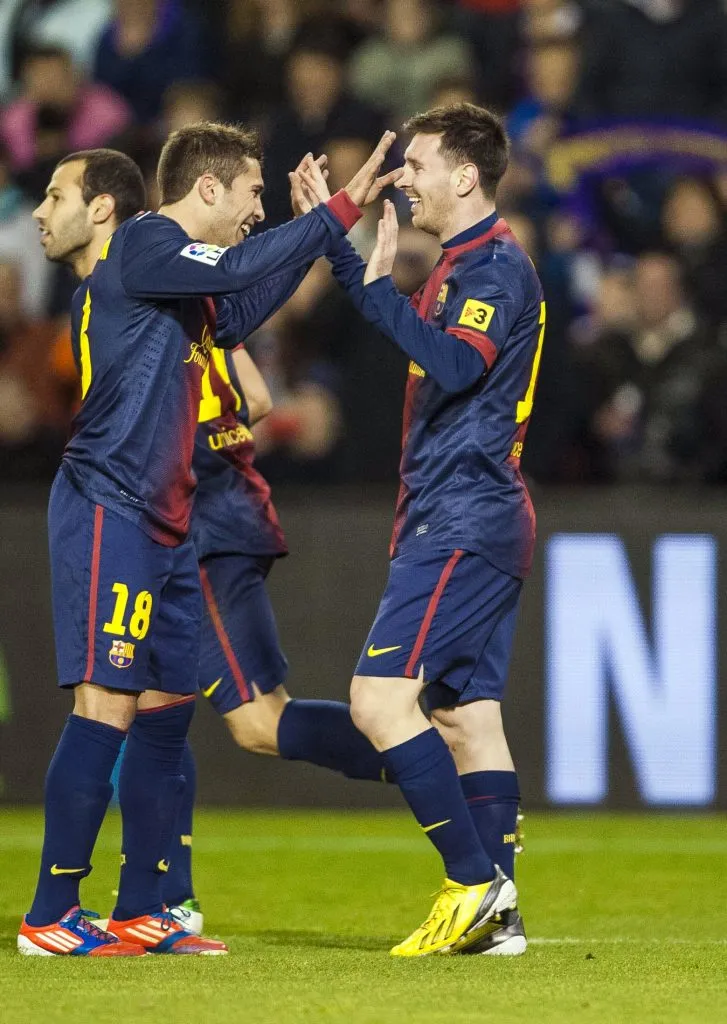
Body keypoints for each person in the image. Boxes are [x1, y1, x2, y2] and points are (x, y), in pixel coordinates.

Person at [17, 123, 399, 956]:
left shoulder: (166, 286)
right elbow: (234, 271)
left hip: (166, 517)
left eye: (53, 196)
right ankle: (49, 916)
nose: (257, 210)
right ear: (209, 190)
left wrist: (331, 223)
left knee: (163, 713)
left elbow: (242, 305)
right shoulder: (148, 242)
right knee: (107, 704)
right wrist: (334, 210)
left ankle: (143, 908)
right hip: (109, 507)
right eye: (253, 194)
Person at [294, 102, 544, 957]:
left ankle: (474, 883)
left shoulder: (495, 272)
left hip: (463, 514)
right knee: (466, 716)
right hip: (470, 513)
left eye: (419, 165)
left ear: (465, 176)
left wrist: (365, 282)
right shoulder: (458, 265)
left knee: (379, 698)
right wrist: (336, 238)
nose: (405, 178)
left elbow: (454, 364)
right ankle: (498, 922)